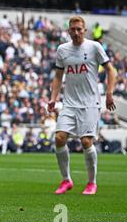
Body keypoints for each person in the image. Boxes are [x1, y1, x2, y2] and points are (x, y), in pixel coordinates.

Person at [48, 16, 116, 195]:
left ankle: (91, 183)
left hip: (90, 103)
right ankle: (66, 180)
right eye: (73, 29)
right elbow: (58, 76)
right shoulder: (62, 50)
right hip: (69, 103)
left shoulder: (94, 47)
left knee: (86, 141)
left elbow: (111, 70)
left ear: (84, 30)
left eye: (79, 29)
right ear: (69, 31)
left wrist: (109, 93)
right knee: (59, 138)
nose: (76, 32)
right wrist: (53, 98)